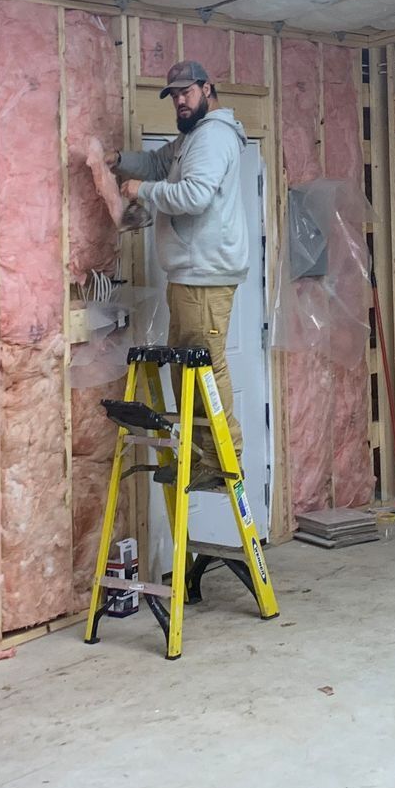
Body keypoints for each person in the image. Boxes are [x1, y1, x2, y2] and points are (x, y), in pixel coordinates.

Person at [110, 60, 249, 481]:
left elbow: (194, 196)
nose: (179, 102)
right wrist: (119, 161)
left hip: (204, 276)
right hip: (190, 275)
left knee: (205, 369)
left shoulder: (212, 137)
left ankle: (222, 460)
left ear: (207, 88)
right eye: (173, 96)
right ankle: (201, 455)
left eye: (186, 93)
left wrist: (142, 191)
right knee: (188, 370)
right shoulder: (192, 138)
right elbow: (157, 164)